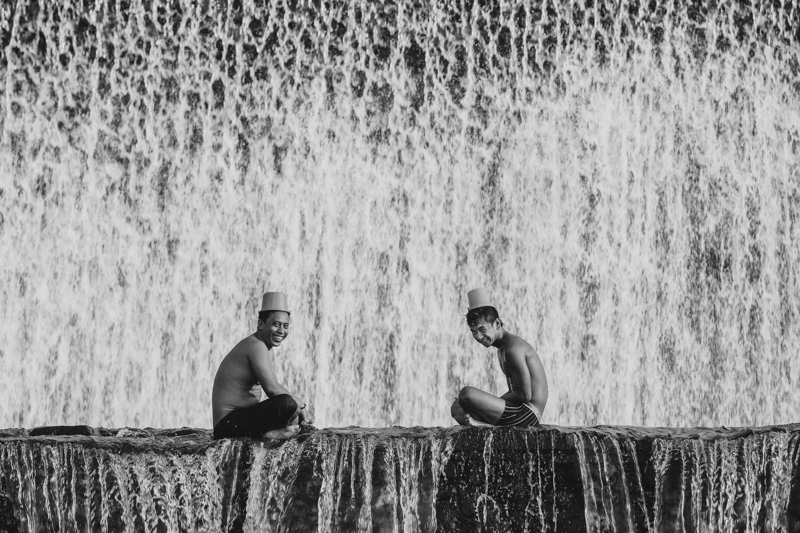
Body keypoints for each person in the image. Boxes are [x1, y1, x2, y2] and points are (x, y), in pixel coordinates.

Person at [212, 291, 311, 439]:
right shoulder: (255, 345)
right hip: (227, 425)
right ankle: (266, 434)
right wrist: (300, 404)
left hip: (243, 419)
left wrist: (295, 411)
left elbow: (276, 389)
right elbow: (272, 389)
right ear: (260, 324)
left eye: (285, 326)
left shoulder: (267, 348)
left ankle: (267, 433)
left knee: (289, 406)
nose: (281, 331)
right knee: (287, 403)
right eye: (276, 324)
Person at [451, 288, 548, 427]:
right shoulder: (502, 349)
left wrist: (485, 402)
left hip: (528, 414)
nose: (478, 337)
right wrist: (483, 403)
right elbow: (516, 392)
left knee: (467, 394)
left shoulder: (513, 349)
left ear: (497, 324)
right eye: (474, 332)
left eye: (482, 329)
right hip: (517, 411)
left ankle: (486, 425)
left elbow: (524, 395)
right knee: (456, 408)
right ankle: (482, 424)